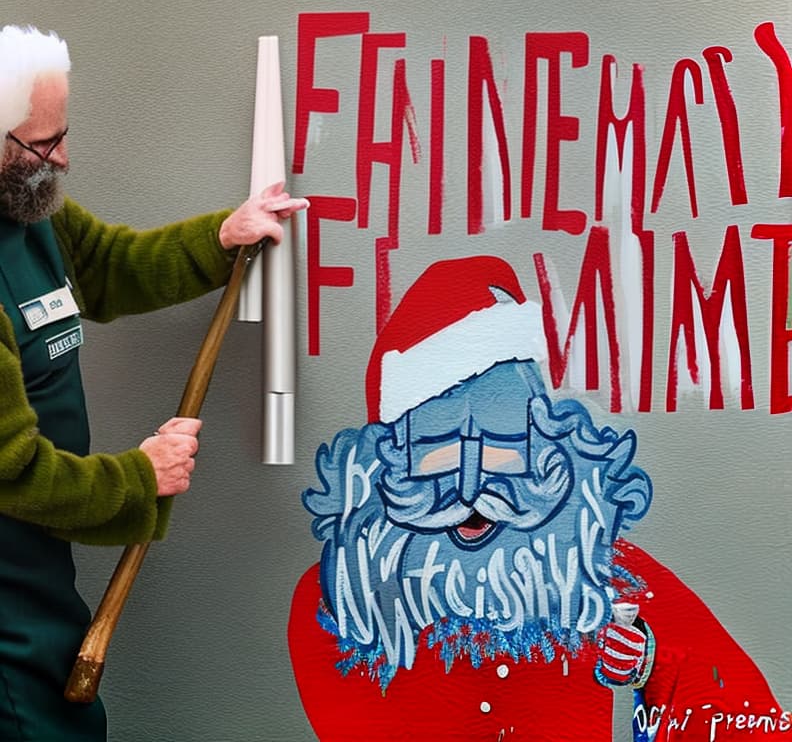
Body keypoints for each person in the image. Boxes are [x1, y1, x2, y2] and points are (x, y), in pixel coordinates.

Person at [288, 255, 789, 741]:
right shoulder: (334, 603)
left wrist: (650, 667)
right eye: (437, 453)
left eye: (501, 450)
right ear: (389, 464)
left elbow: (749, 716)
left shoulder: (605, 577)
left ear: (548, 451)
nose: (469, 488)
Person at [0, 24, 308, 741]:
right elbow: (13, 473)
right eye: (41, 147)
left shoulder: (30, 216)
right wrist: (140, 478)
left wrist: (221, 236)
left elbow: (110, 266)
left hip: (39, 576)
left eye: (62, 134)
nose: (63, 158)